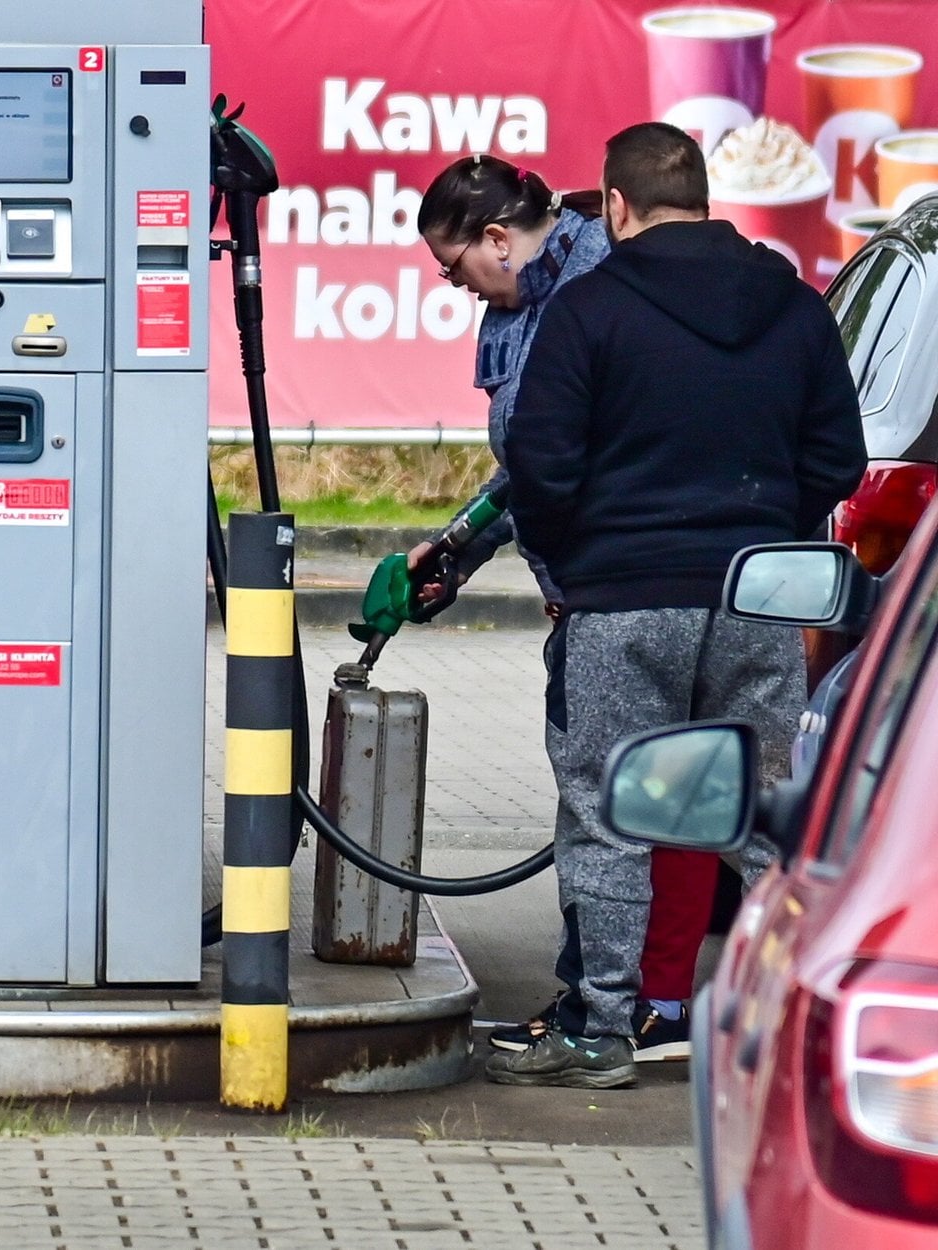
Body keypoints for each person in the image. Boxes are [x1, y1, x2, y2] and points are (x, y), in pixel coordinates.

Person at [489, 122, 865, 1088]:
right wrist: (767, 531)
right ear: (703, 199)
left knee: (608, 809)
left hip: (622, 603)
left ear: (615, 206)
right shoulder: (795, 306)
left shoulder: (589, 310)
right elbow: (839, 457)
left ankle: (600, 1028)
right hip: (758, 602)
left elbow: (539, 463)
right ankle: (795, 1027)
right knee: (764, 814)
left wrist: (582, 562)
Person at [411, 155, 731, 1067]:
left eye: (454, 268)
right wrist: (458, 546)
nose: (457, 288)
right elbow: (527, 465)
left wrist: (578, 569)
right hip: (592, 590)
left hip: (622, 587)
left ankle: (618, 1012)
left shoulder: (603, 292)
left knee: (633, 807)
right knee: (642, 798)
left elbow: (579, 458)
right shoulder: (515, 311)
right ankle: (634, 1004)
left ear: (498, 239)